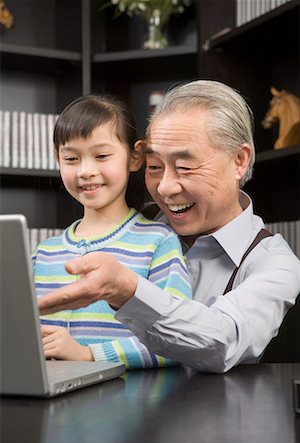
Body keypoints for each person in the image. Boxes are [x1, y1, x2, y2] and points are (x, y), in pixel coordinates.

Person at [38, 80, 300, 373]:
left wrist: (127, 291)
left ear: (239, 160)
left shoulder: (274, 263)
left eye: (185, 167)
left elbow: (221, 342)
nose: (164, 188)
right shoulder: (131, 226)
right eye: (154, 167)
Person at [33, 94, 192, 369]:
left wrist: (89, 355)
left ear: (135, 156)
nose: (85, 171)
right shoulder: (44, 254)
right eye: (71, 158)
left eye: (101, 156)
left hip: (128, 402)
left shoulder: (158, 243)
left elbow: (178, 341)